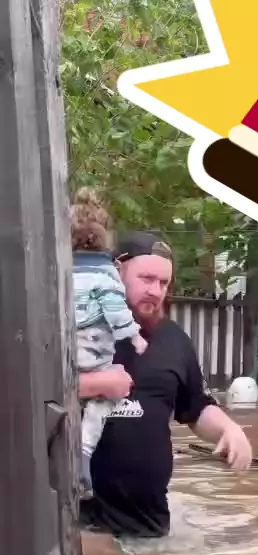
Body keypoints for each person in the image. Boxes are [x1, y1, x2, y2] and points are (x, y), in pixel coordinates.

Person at [79, 230, 253, 537]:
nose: (155, 291)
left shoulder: (174, 340)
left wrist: (229, 429)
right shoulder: (75, 330)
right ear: (116, 272)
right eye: (146, 279)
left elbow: (195, 408)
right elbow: (29, 394)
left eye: (163, 283)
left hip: (149, 526)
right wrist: (96, 383)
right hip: (80, 528)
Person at [71, 189, 148, 497]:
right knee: (108, 395)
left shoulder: (59, 271)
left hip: (66, 351)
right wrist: (135, 336)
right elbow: (115, 311)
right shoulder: (105, 274)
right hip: (92, 350)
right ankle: (84, 452)